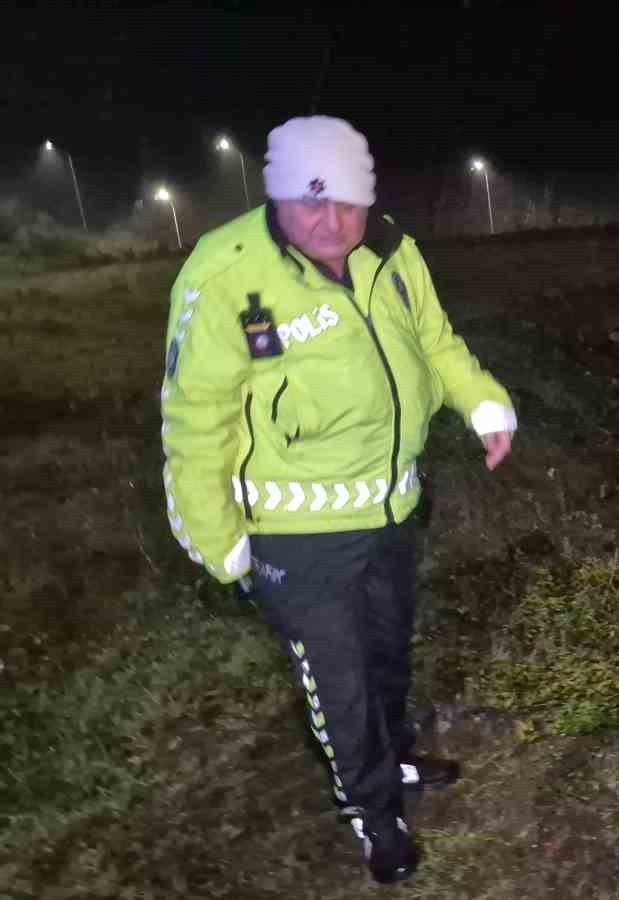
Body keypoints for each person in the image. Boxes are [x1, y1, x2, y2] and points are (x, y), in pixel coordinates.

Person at [158, 116, 516, 884]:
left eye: (348, 203)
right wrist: (218, 540)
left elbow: (434, 341)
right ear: (276, 196)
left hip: (390, 508)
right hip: (295, 534)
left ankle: (392, 759)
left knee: (386, 653)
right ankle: (372, 812)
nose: (332, 224)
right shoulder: (224, 276)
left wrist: (482, 402)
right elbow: (194, 419)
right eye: (310, 203)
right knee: (340, 681)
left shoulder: (391, 250)